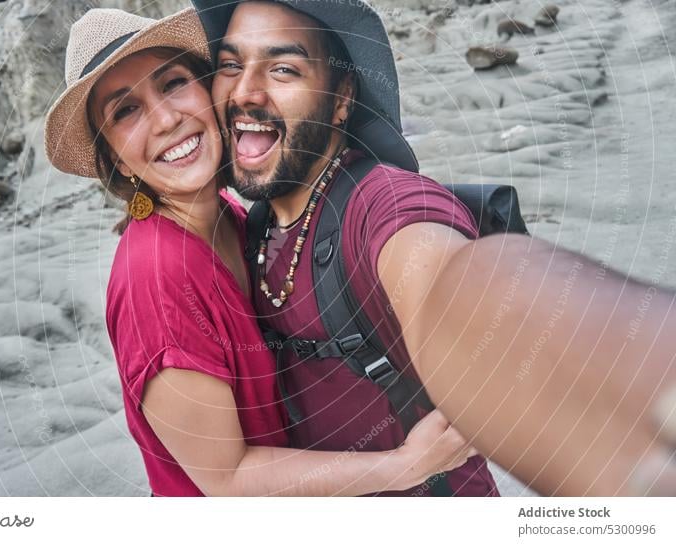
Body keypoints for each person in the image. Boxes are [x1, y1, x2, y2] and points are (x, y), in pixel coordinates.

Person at [192, 0, 676, 495]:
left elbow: (453, 285)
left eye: (283, 69)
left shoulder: (385, 205)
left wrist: (629, 392)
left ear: (341, 99)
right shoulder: (254, 225)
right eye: (230, 65)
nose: (245, 92)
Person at [43, 7, 478, 497]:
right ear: (114, 159)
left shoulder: (236, 217)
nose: (165, 119)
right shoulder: (157, 275)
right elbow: (227, 480)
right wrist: (402, 466)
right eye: (125, 110)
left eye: (172, 83)